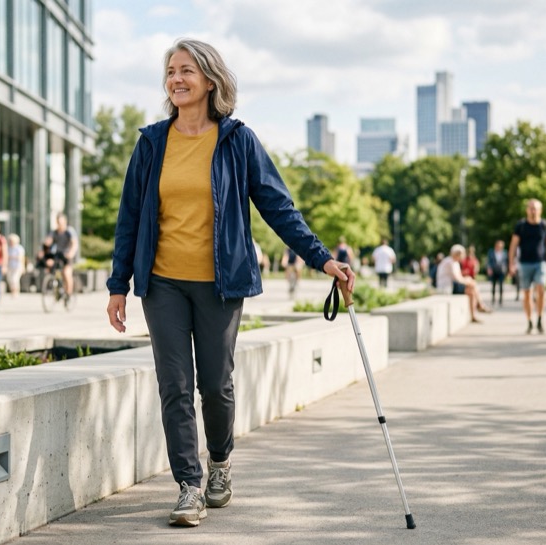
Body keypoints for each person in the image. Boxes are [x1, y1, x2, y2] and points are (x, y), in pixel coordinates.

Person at [104, 38, 355, 528]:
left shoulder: (237, 140)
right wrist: (118, 285)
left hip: (221, 284)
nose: (176, 80)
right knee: (174, 386)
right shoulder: (152, 142)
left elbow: (278, 207)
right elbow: (129, 216)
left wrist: (322, 259)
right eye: (170, 72)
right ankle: (188, 486)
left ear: (211, 80)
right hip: (162, 284)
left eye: (186, 71)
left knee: (215, 385)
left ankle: (220, 461)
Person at [509, 199, 546, 334]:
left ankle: (540, 318)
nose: (533, 210)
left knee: (541, 289)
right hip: (524, 263)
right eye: (530, 208)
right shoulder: (521, 226)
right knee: (527, 293)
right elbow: (513, 245)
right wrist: (511, 263)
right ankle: (530, 321)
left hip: (540, 262)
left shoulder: (545, 225)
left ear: (540, 210)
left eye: (535, 208)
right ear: (527, 210)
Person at [436, 245, 485, 323]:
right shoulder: (450, 262)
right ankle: (478, 308)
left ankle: (477, 310)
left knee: (471, 288)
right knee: (471, 287)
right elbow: (458, 279)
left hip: (450, 286)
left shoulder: (453, 262)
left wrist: (468, 280)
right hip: (447, 288)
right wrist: (468, 281)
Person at [49, 212, 79, 299]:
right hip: (58, 254)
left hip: (67, 255)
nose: (59, 224)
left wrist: (71, 253)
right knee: (52, 270)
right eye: (58, 222)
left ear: (65, 222)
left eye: (61, 222)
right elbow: (48, 243)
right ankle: (57, 289)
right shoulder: (54, 232)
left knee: (66, 273)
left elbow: (74, 243)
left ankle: (68, 294)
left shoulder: (69, 231)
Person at [485, 240, 509, 306]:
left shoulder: (504, 253)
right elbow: (488, 261)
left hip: (501, 271)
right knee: (493, 285)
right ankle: (493, 298)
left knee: (501, 285)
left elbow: (506, 262)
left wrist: (507, 271)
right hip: (493, 270)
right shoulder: (491, 252)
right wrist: (489, 268)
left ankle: (500, 299)